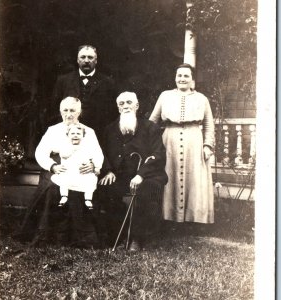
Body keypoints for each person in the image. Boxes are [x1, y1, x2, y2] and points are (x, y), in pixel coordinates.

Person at [18, 97, 104, 248]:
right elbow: (41, 153)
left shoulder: (88, 132)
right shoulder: (53, 130)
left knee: (82, 188)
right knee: (52, 187)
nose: (69, 114)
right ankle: (46, 235)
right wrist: (52, 166)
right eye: (65, 110)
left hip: (80, 169)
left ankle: (80, 237)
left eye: (72, 110)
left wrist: (93, 165)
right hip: (57, 167)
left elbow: (97, 153)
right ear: (60, 111)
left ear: (79, 112)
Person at [99, 92, 168, 251]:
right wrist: (108, 171)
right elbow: (102, 153)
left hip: (147, 175)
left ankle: (137, 237)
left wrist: (140, 175)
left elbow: (158, 154)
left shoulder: (151, 128)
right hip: (120, 175)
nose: (125, 106)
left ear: (136, 106)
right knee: (106, 188)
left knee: (148, 190)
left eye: (129, 102)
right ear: (118, 108)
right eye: (121, 104)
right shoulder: (109, 129)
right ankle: (118, 234)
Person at [149, 63, 215, 224]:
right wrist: (151, 145)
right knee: (168, 176)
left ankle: (194, 220)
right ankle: (168, 218)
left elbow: (208, 124)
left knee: (195, 179)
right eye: (179, 75)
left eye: (186, 76)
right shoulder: (165, 96)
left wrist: (207, 145)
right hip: (169, 140)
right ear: (175, 78)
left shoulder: (202, 99)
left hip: (194, 141)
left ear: (192, 79)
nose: (182, 79)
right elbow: (152, 122)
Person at [52, 44, 118, 141]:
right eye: (83, 57)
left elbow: (112, 112)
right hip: (69, 133)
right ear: (78, 60)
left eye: (90, 57)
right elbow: (55, 108)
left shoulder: (108, 83)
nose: (86, 60)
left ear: (96, 61)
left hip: (97, 134)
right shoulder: (64, 81)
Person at [51, 123, 103, 209]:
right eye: (72, 134)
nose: (75, 136)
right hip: (69, 171)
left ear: (83, 136)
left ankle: (88, 199)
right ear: (67, 135)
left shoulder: (87, 147)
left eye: (78, 134)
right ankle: (64, 196)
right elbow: (63, 154)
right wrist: (72, 148)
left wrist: (97, 167)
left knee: (91, 180)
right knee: (63, 180)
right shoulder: (65, 146)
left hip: (82, 172)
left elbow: (97, 155)